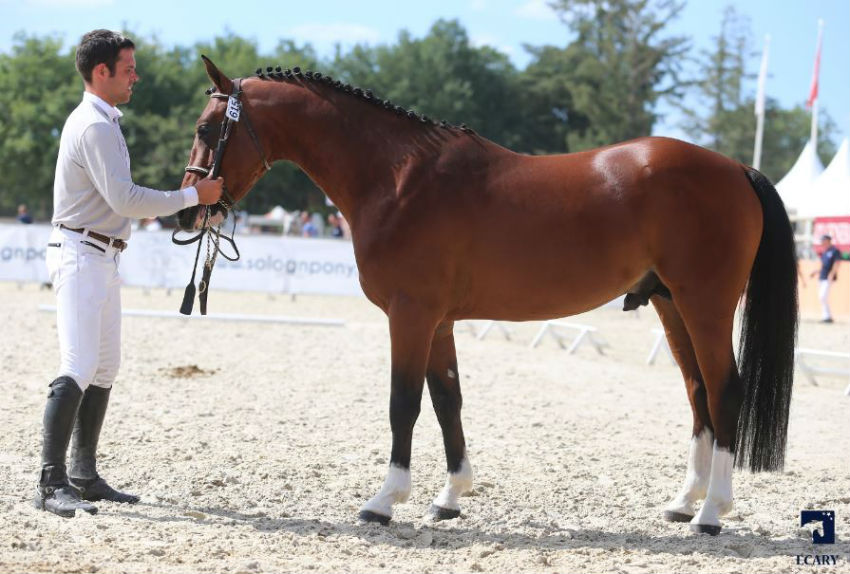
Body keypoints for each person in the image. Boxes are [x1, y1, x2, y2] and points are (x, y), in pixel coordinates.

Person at [36, 29, 224, 518]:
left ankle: (82, 473)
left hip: (102, 253)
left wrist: (198, 208)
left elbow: (121, 199)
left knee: (104, 367)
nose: (135, 76)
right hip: (81, 252)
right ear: (102, 72)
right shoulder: (94, 126)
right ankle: (50, 481)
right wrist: (191, 198)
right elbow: (125, 199)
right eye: (128, 69)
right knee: (77, 365)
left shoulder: (106, 121)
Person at [809, 234, 842, 323]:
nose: (822, 242)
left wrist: (832, 273)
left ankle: (826, 316)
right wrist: (816, 272)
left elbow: (837, 263)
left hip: (828, 277)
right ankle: (827, 316)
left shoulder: (835, 251)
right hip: (822, 276)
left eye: (823, 240)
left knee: (822, 296)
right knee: (822, 297)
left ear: (828, 240)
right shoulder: (825, 252)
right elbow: (823, 266)